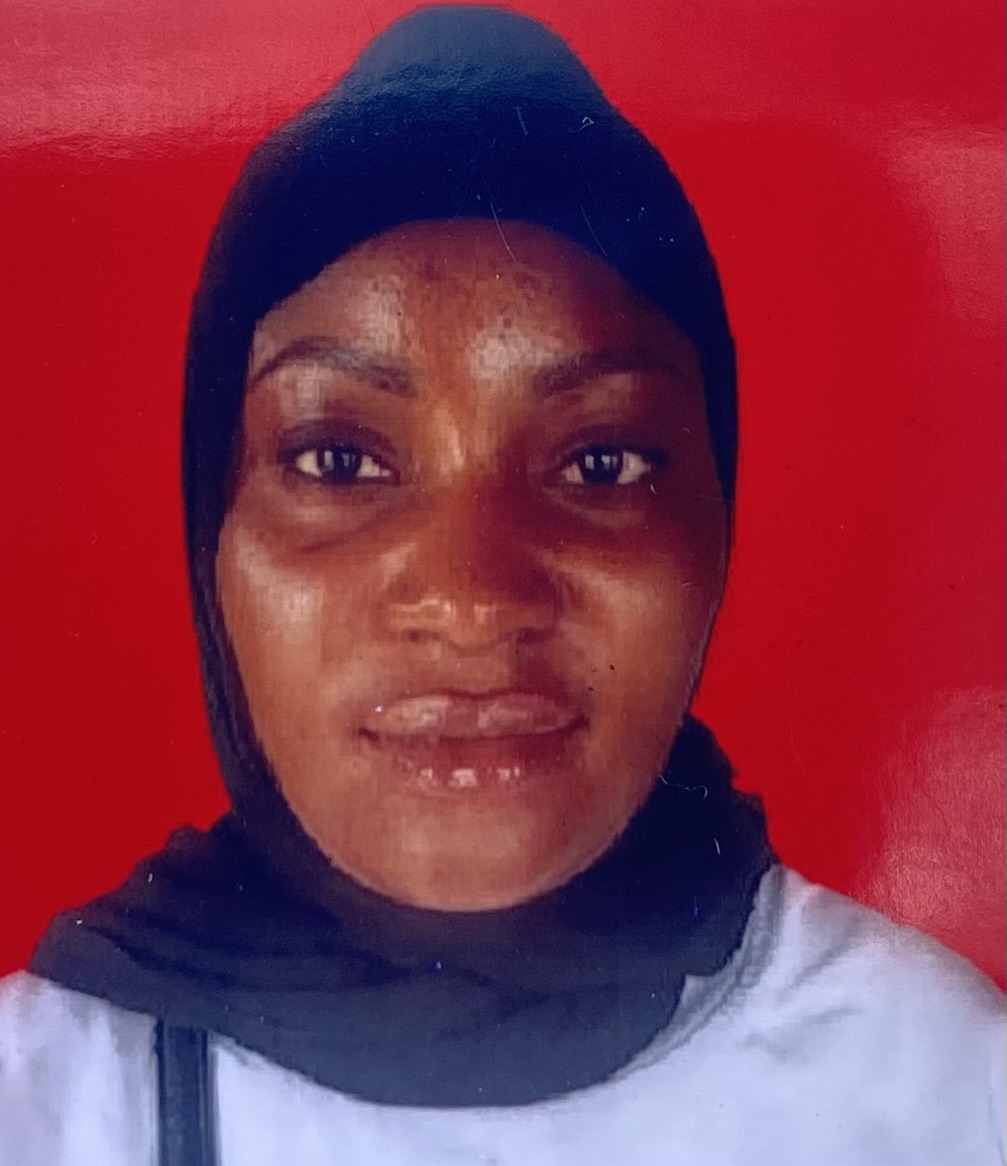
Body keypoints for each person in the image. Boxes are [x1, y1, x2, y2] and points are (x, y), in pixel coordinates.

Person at [0, 7, 1002, 1165]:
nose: (470, 602)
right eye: (338, 460)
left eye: (599, 462)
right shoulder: (50, 1100)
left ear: (713, 528)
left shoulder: (941, 1085)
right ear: (210, 543)